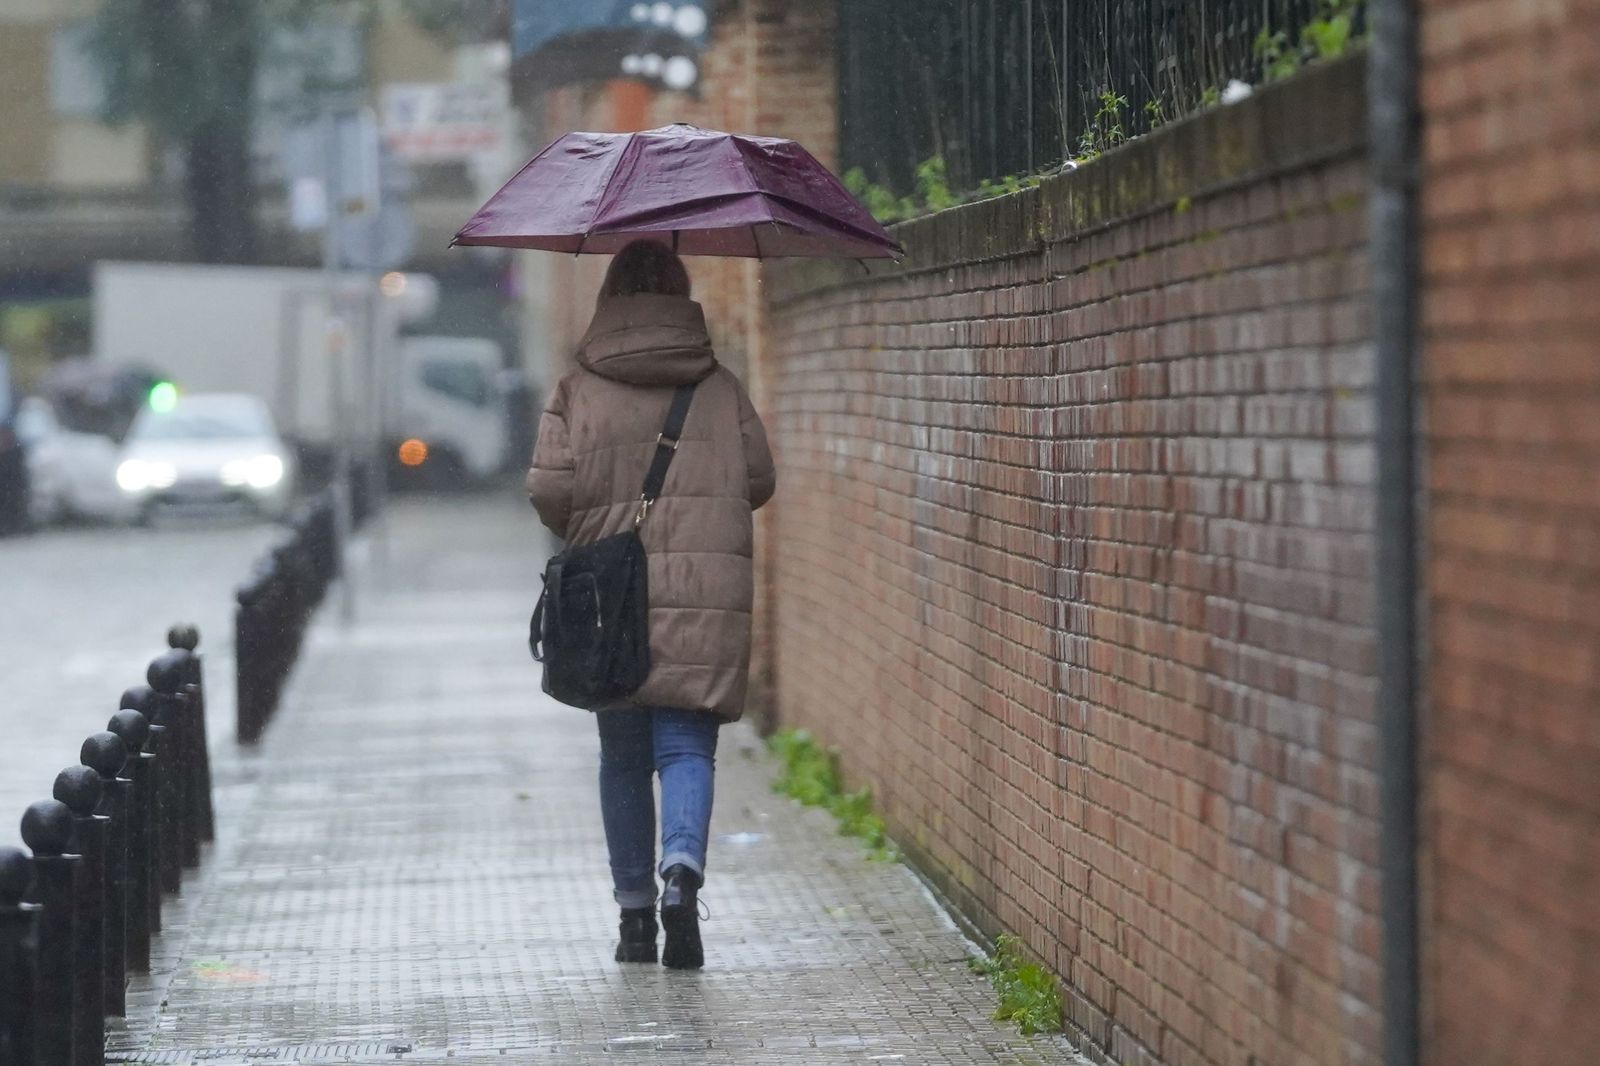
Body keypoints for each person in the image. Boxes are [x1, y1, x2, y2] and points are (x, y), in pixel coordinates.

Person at [526, 239, 776, 970]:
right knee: (687, 742)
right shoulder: (720, 386)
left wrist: (595, 519)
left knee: (624, 756)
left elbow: (548, 490)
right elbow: (758, 479)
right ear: (682, 292)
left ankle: (635, 919)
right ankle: (681, 874)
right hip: (706, 589)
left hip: (610, 597)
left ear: (609, 296)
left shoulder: (577, 387)